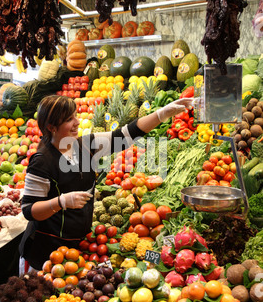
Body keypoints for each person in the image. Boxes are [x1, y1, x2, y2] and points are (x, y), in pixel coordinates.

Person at [19, 94, 193, 272]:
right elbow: (29, 210)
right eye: (69, 119)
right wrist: (60, 202)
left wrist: (163, 113)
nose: (77, 123)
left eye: (75, 116)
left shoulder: (86, 145)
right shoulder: (42, 162)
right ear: (51, 127)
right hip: (47, 253)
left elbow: (125, 135)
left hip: (78, 246)